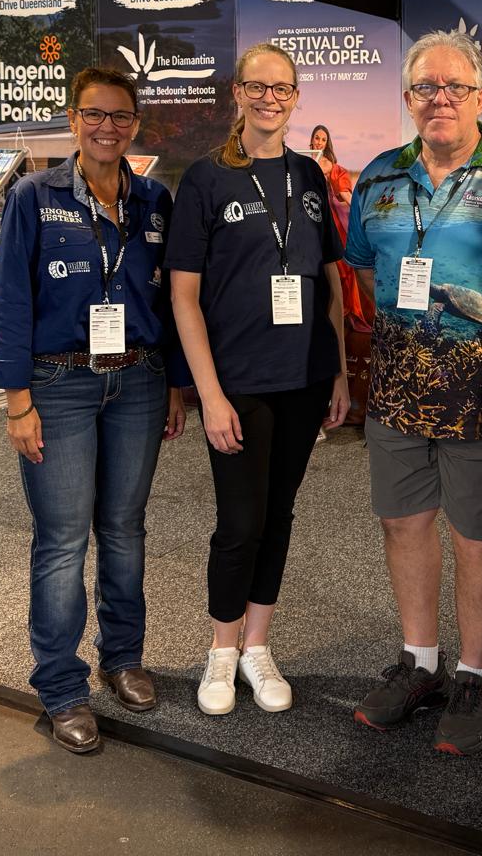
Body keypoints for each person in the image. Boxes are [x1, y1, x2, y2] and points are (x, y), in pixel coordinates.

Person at [344, 28, 482, 757]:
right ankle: (420, 663)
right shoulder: (378, 179)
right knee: (403, 524)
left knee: (478, 537)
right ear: (408, 98)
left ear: (480, 95)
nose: (439, 99)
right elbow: (363, 272)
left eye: (454, 87)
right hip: (397, 393)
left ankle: (474, 676)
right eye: (425, 88)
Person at [0, 66, 189, 755]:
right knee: (64, 539)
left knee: (125, 529)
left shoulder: (154, 200)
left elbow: (168, 300)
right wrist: (17, 401)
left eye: (121, 116)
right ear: (73, 120)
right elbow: (10, 299)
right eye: (94, 114)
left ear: (135, 125)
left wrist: (175, 384)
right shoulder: (34, 197)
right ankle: (62, 686)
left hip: (139, 381)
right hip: (59, 385)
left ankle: (122, 657)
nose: (107, 127)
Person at [168, 43, 351, 716]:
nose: (270, 98)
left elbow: (330, 281)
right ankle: (221, 651)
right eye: (258, 87)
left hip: (304, 377)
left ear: (296, 97)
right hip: (237, 381)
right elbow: (183, 295)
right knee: (239, 521)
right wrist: (208, 394)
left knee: (279, 515)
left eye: (283, 89)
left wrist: (338, 372)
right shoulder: (206, 179)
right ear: (238, 93)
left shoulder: (308, 176)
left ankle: (257, 647)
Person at [308, 124, 364, 327]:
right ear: (311, 140)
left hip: (328, 218)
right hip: (307, 217)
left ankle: (344, 311)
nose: (319, 142)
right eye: (317, 138)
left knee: (340, 265)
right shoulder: (303, 162)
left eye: (323, 139)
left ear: (327, 143)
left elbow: (344, 193)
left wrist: (361, 213)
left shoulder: (329, 165)